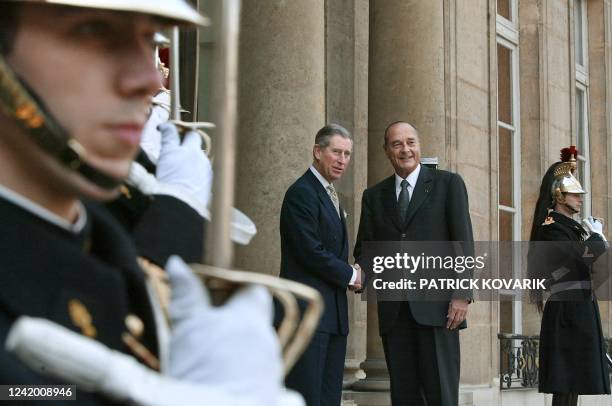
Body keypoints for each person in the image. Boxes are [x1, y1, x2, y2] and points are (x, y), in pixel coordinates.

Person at [0, 1, 301, 405]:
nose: (148, 80)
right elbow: (26, 392)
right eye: (94, 31)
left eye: (146, 39)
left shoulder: (104, 243)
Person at [354, 121, 473, 405]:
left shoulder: (448, 184)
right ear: (387, 151)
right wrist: (358, 273)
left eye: (411, 142)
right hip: (395, 314)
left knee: (440, 394)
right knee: (404, 396)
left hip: (440, 310)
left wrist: (462, 295)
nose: (405, 149)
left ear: (419, 146)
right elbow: (366, 249)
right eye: (397, 144)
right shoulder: (374, 196)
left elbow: (463, 243)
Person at [280, 123, 361, 406]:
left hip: (333, 318)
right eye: (336, 152)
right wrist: (351, 274)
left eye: (347, 154)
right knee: (307, 397)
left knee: (328, 400)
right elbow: (309, 251)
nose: (342, 160)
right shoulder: (301, 192)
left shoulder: (331, 195)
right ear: (318, 151)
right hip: (308, 316)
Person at [527, 147, 610, 406]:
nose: (580, 198)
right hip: (567, 310)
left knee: (573, 381)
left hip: (579, 306)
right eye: (575, 193)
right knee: (566, 382)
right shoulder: (551, 229)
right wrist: (596, 239)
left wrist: (597, 242)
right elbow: (576, 262)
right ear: (559, 195)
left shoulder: (571, 229)